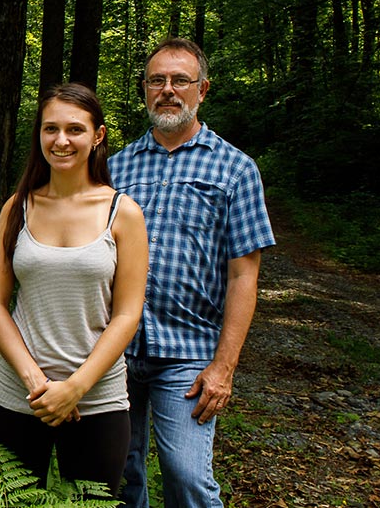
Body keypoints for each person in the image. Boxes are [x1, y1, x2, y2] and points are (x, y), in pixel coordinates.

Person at [111, 38, 276, 508]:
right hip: (115, 349)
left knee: (187, 477)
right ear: (144, 90)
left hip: (187, 352)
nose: (167, 89)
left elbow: (244, 276)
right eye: (156, 80)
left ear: (202, 89)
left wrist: (223, 368)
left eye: (179, 80)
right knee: (120, 473)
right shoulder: (114, 167)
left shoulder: (236, 169)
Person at [0, 82, 149, 495]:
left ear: (98, 136)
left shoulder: (123, 213)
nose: (61, 141)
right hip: (19, 394)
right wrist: (36, 383)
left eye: (75, 129)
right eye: (50, 129)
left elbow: (127, 314)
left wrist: (75, 387)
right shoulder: (18, 206)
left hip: (97, 401)